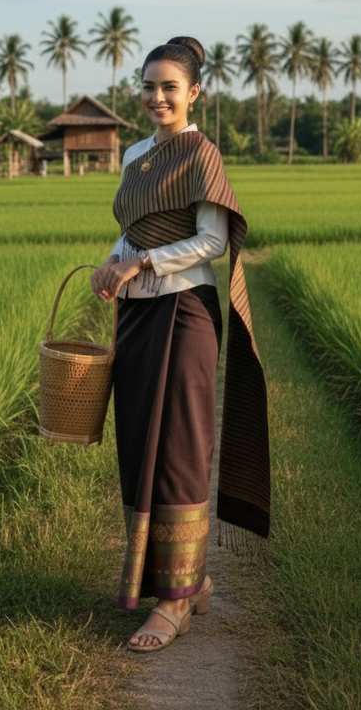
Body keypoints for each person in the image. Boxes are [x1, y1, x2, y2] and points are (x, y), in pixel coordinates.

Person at [90, 36, 270, 653]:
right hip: (138, 319)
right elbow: (129, 232)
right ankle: (185, 582)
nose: (157, 97)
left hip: (184, 313)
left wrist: (137, 263)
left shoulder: (203, 154)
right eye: (148, 86)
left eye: (169, 87)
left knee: (179, 451)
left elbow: (211, 241)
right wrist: (111, 263)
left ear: (194, 93)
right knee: (140, 446)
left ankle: (173, 604)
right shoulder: (135, 155)